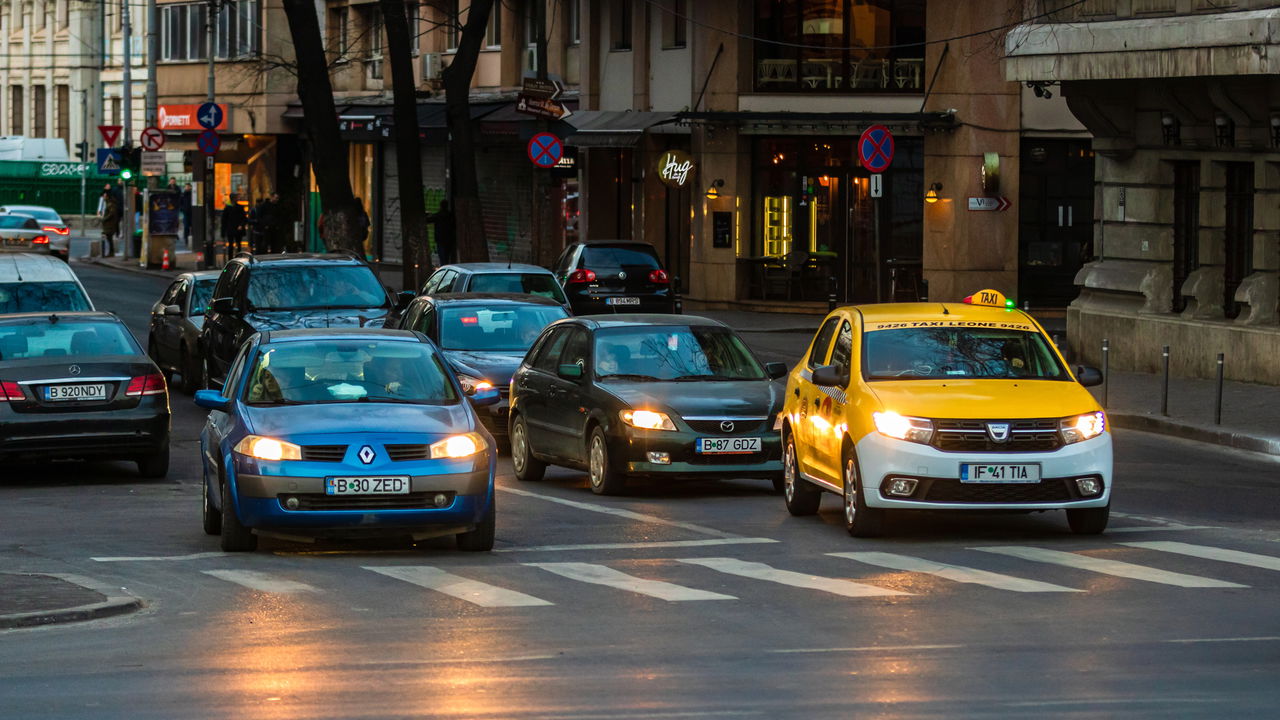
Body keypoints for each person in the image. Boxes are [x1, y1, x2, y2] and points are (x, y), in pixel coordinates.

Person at [426, 199, 456, 265]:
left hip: (440, 240)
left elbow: (428, 220)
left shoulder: (438, 215)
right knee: (447, 257)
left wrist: (427, 215)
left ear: (441, 206)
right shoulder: (451, 216)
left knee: (442, 258)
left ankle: (444, 269)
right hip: (449, 240)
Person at [100, 191, 120, 258]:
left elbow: (111, 213)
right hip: (108, 224)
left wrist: (105, 219)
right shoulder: (109, 203)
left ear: (108, 197)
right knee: (109, 239)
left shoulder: (111, 204)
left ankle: (111, 253)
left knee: (109, 239)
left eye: (105, 196)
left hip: (110, 225)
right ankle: (110, 252)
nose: (104, 197)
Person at [179, 183, 194, 249]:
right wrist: (183, 209)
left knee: (193, 226)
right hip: (186, 213)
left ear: (190, 187)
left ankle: (192, 239)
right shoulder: (183, 195)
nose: (187, 188)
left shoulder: (192, 194)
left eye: (188, 187)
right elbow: (180, 203)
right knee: (186, 226)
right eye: (186, 187)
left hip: (192, 213)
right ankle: (186, 239)